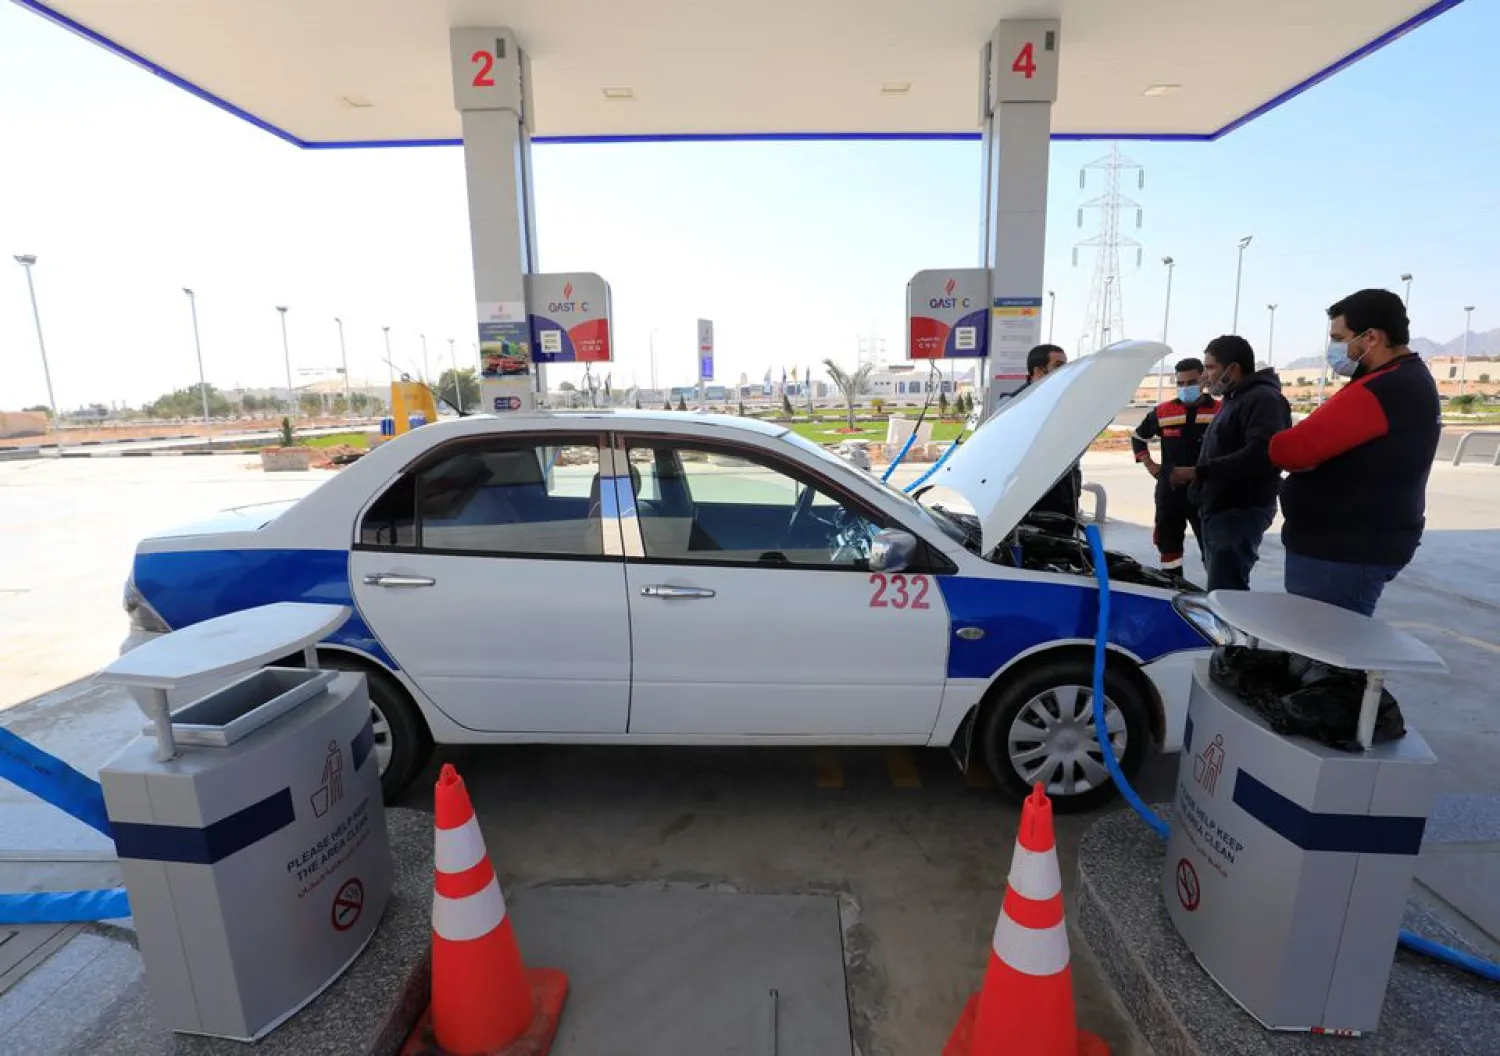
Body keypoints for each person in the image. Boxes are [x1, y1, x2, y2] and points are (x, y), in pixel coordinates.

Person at [1268, 289, 1440, 616]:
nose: (1333, 349)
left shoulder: (1384, 388)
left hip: (1340, 554)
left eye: (1339, 338)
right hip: (1353, 545)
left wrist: (1303, 455)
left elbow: (1288, 450)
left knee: (1322, 640)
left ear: (1371, 337)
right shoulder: (1406, 378)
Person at [1169, 335, 1290, 591]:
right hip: (1218, 508)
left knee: (1226, 591)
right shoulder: (1235, 398)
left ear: (1232, 369)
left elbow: (1261, 454)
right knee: (1218, 587)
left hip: (1238, 512)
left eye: (1210, 367)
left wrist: (1199, 471)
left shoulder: (1263, 399)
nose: (1205, 376)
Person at [1130, 358, 1219, 577]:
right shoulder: (1163, 412)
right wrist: (1151, 466)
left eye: (1191, 382)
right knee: (1168, 546)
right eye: (1181, 383)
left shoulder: (1220, 411)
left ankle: (1216, 589)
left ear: (1204, 380)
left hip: (1207, 491)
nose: (1185, 388)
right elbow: (1138, 437)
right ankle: (1172, 585)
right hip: (1170, 493)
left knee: (1214, 547)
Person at [1014, 344, 1082, 523]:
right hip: (1029, 501)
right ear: (1038, 371)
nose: (1065, 371)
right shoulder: (1014, 405)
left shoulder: (1067, 403)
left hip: (1065, 497)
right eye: (1058, 366)